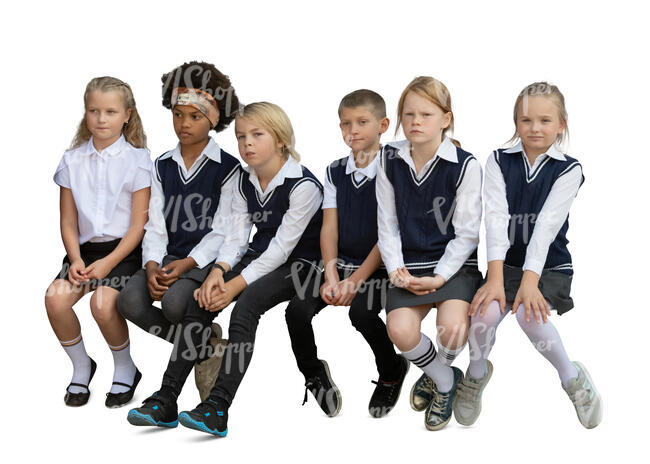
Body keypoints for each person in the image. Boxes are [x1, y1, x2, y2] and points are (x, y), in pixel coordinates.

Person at [127, 102, 323, 437]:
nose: (247, 143)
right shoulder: (245, 179)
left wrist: (235, 286)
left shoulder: (304, 186)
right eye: (241, 136)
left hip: (303, 265)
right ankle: (167, 398)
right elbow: (236, 237)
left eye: (257, 135)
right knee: (200, 300)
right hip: (260, 256)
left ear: (280, 140)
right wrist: (218, 272)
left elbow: (281, 249)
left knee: (245, 308)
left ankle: (218, 407)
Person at [454, 82, 603, 429]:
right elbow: (495, 219)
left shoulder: (569, 169)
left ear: (561, 124)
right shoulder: (497, 160)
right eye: (526, 120)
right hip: (503, 264)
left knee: (527, 315)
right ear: (516, 123)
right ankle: (475, 375)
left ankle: (572, 378)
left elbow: (546, 228)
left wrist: (530, 281)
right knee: (484, 315)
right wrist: (493, 279)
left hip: (548, 263)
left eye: (545, 120)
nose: (535, 128)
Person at [117, 61, 240, 400]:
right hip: (167, 258)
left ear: (213, 120)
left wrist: (188, 263)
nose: (184, 124)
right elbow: (154, 223)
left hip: (203, 263)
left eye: (195, 117)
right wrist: (153, 263)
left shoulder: (228, 169)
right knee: (128, 301)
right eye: (177, 114)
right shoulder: (162, 166)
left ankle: (194, 336)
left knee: (174, 305)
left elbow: (224, 231)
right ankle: (202, 343)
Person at [285, 89, 408, 419]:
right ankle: (313, 372)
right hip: (339, 265)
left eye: (362, 122)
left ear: (383, 125)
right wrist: (332, 275)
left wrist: (355, 281)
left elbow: (389, 234)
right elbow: (330, 227)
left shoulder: (396, 168)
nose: (352, 130)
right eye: (345, 124)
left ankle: (392, 369)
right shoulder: (335, 170)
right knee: (296, 312)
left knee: (362, 314)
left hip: (380, 266)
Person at [377, 76, 483, 430]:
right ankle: (444, 379)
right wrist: (396, 271)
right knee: (400, 331)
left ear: (446, 118)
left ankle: (439, 368)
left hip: (453, 267)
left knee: (452, 329)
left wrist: (439, 276)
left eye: (426, 113)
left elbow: (468, 233)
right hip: (408, 265)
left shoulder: (465, 165)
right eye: (408, 114)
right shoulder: (387, 160)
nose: (415, 122)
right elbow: (388, 225)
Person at [45, 76, 151, 408]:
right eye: (93, 111)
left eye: (109, 111)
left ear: (127, 115)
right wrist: (75, 258)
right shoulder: (72, 159)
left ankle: (125, 368)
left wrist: (108, 263)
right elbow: (68, 220)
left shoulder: (138, 161)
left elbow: (138, 226)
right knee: (55, 299)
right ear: (85, 113)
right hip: (84, 251)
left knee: (102, 305)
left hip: (124, 249)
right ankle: (82, 366)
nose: (101, 119)